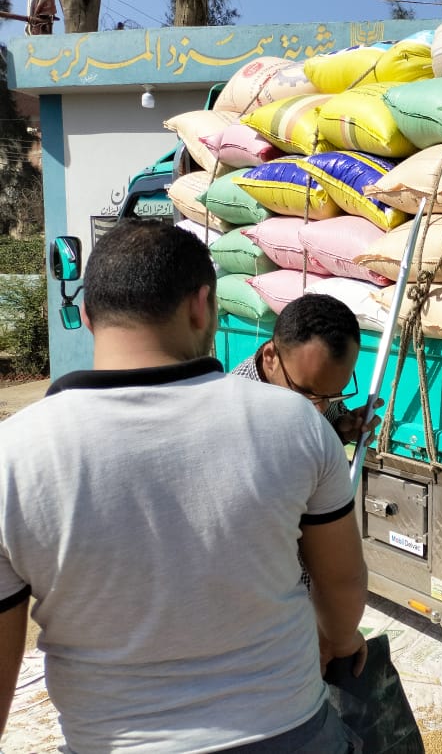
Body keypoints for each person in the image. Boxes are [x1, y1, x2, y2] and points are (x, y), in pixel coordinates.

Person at [0, 219, 367, 752]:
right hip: (288, 729)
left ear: (84, 316)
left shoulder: (14, 453)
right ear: (202, 306)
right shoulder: (296, 425)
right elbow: (341, 585)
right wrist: (337, 636)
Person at [232, 293, 377, 446]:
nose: (321, 410)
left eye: (335, 394)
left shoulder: (317, 384)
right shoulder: (234, 418)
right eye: (306, 394)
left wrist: (340, 430)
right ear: (270, 357)